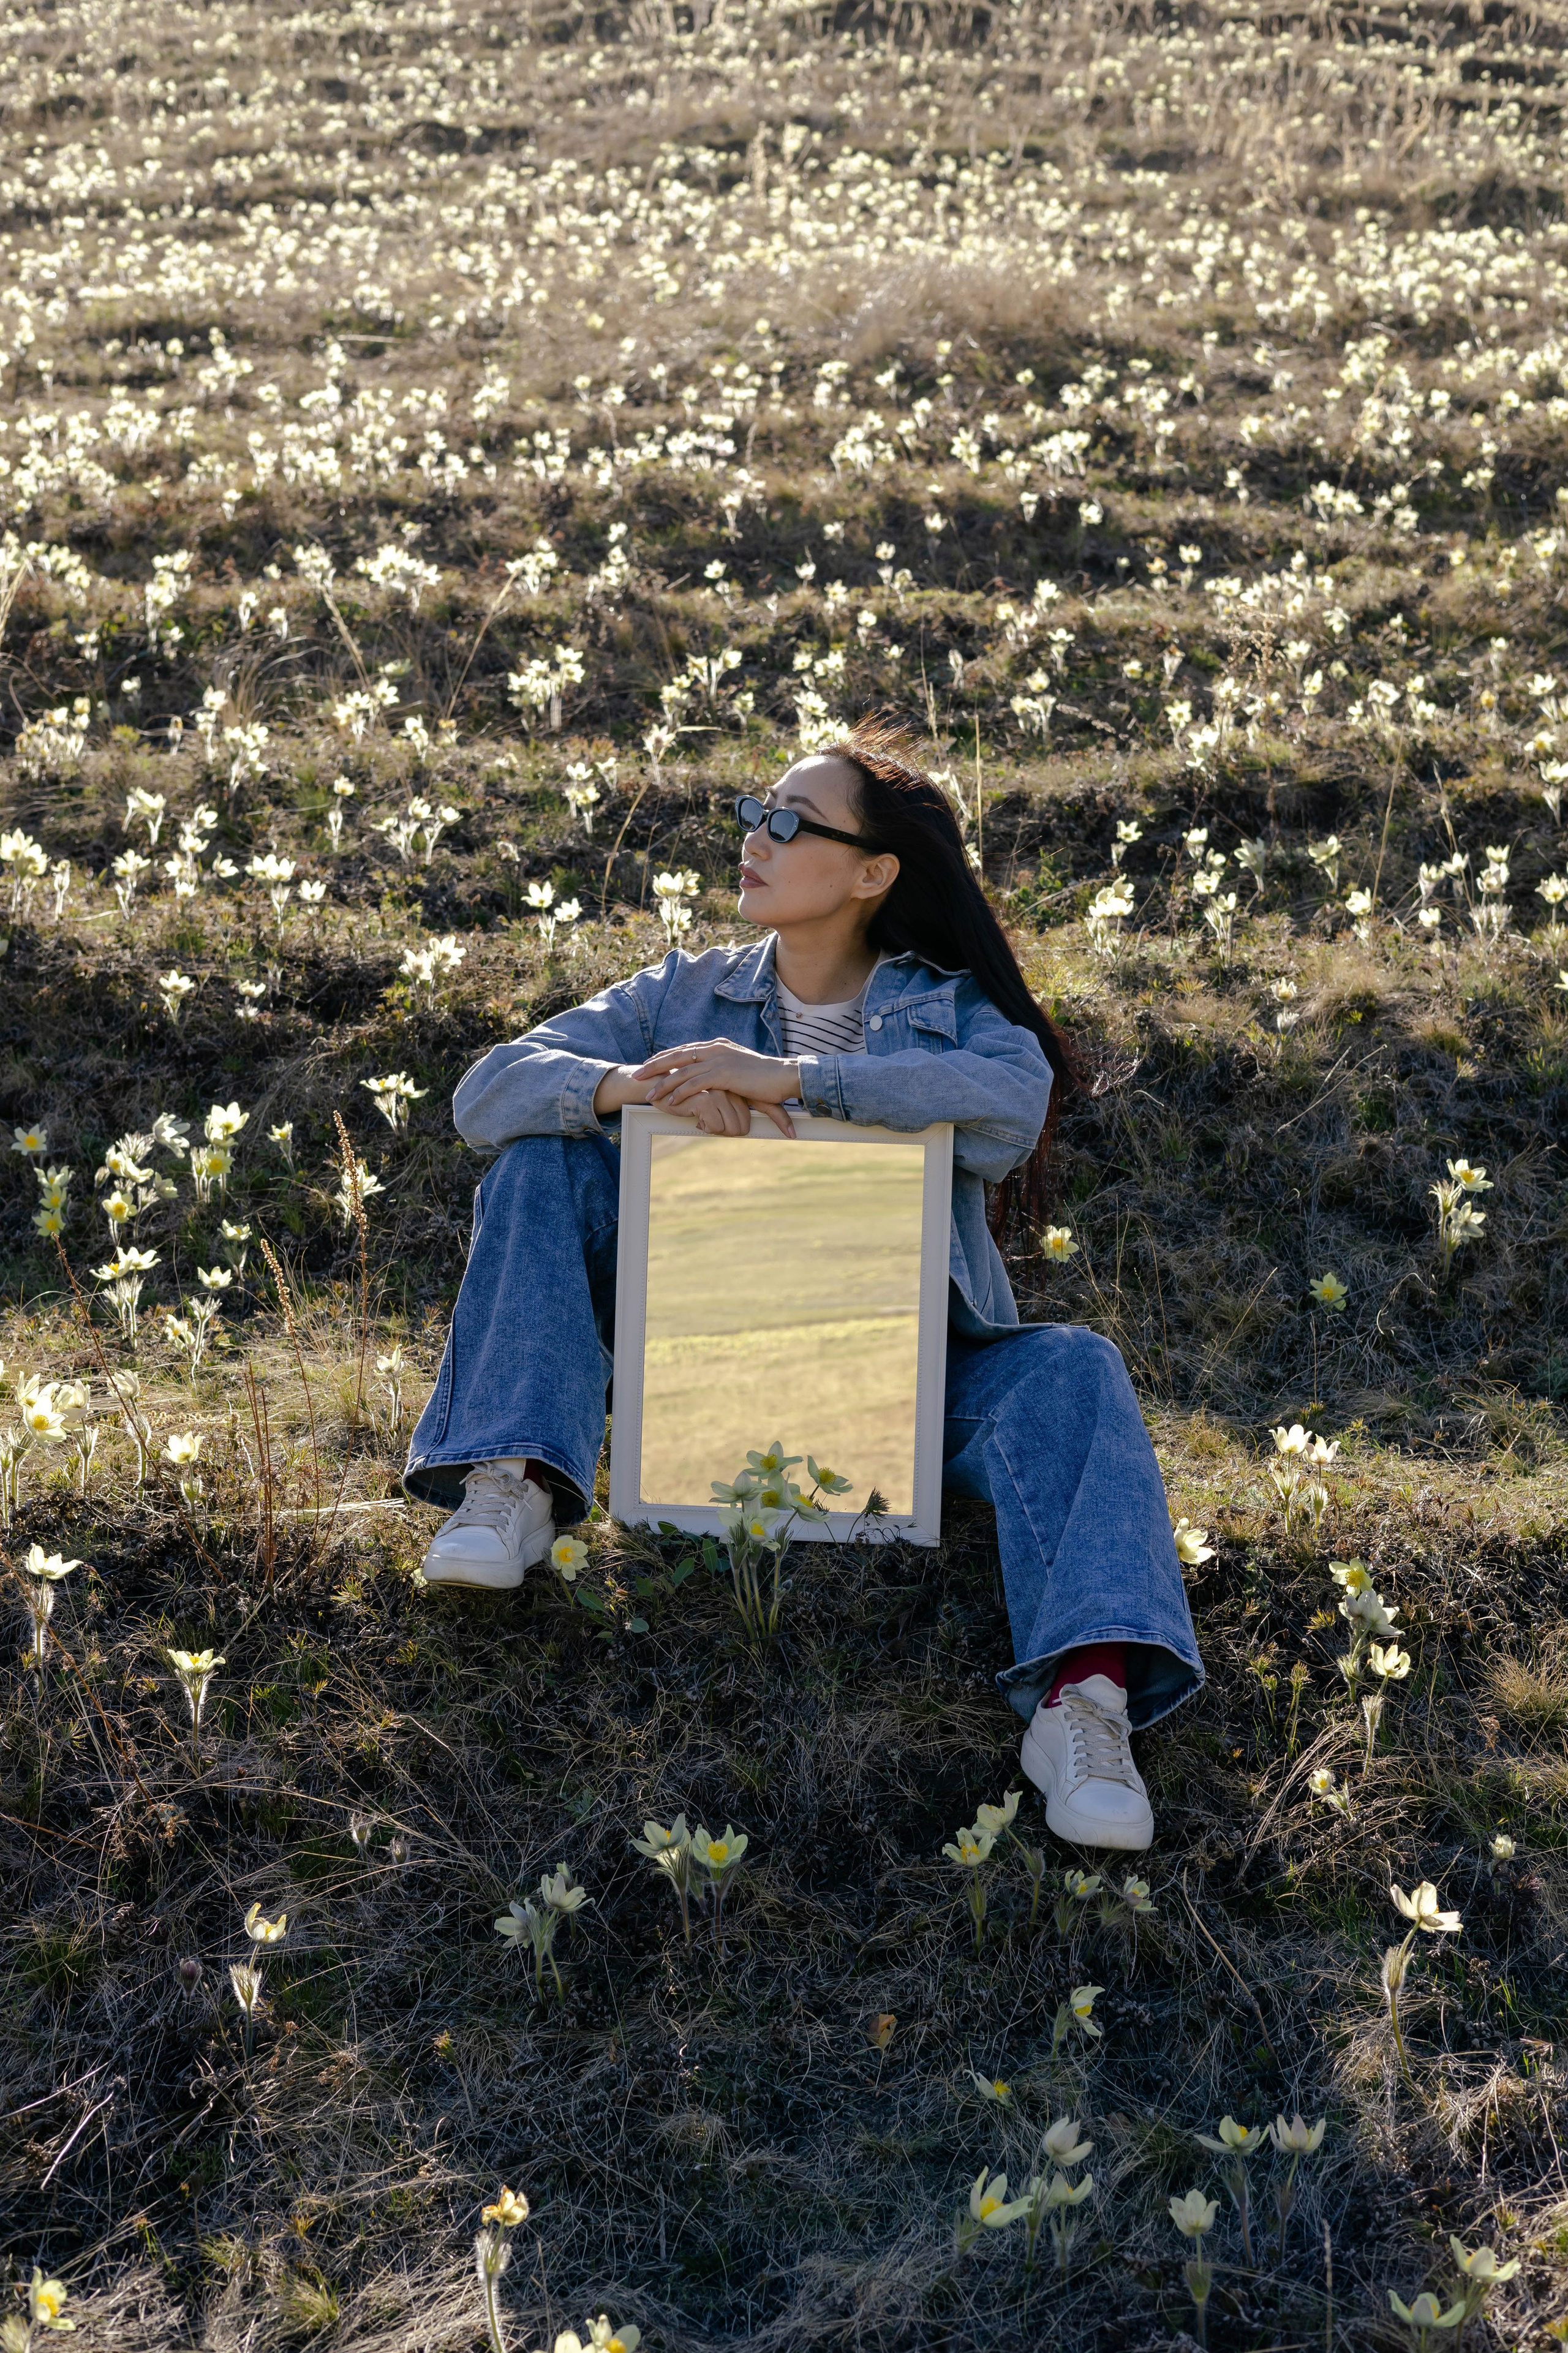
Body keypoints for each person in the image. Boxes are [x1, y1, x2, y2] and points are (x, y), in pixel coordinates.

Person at [403, 716, 1202, 1851]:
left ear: (873, 873)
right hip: (701, 1357)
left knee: (1075, 1368)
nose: (756, 836)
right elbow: (489, 1091)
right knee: (538, 1158)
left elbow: (1009, 1102)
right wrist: (646, 1086)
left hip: (909, 1382)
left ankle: (1086, 1704)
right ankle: (515, 1479)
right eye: (754, 812)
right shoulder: (682, 997)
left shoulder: (945, 1007)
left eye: (791, 822)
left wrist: (791, 1079)